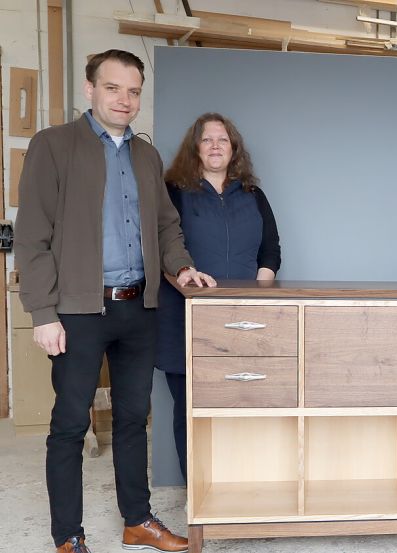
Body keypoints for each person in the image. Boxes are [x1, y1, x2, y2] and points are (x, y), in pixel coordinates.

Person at [13, 49, 216, 553]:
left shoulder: (146, 156)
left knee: (133, 419)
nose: (124, 99)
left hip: (138, 308)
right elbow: (32, 234)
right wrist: (43, 314)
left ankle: (137, 521)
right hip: (78, 311)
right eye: (112, 88)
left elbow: (167, 225)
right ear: (90, 90)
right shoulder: (55, 145)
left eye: (132, 91)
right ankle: (68, 535)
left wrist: (181, 267)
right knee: (70, 424)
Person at [156, 113, 281, 480]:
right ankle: (196, 492)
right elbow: (164, 247)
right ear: (195, 148)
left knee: (240, 406)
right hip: (185, 317)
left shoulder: (254, 196)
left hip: (244, 320)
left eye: (222, 140)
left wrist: (257, 291)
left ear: (233, 149)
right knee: (189, 410)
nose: (215, 146)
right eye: (207, 140)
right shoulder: (174, 192)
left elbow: (271, 250)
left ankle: (235, 487)